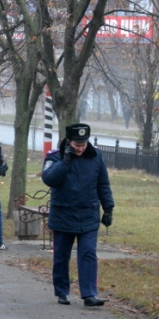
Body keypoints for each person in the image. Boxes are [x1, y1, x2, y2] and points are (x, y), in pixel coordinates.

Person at [42, 123, 114, 307]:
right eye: (77, 145)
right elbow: (49, 179)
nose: (81, 149)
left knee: (88, 254)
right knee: (61, 256)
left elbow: (103, 184)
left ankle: (89, 294)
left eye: (83, 145)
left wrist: (108, 208)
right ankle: (62, 292)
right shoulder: (55, 157)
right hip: (63, 214)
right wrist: (65, 162)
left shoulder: (96, 156)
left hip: (88, 215)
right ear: (68, 142)